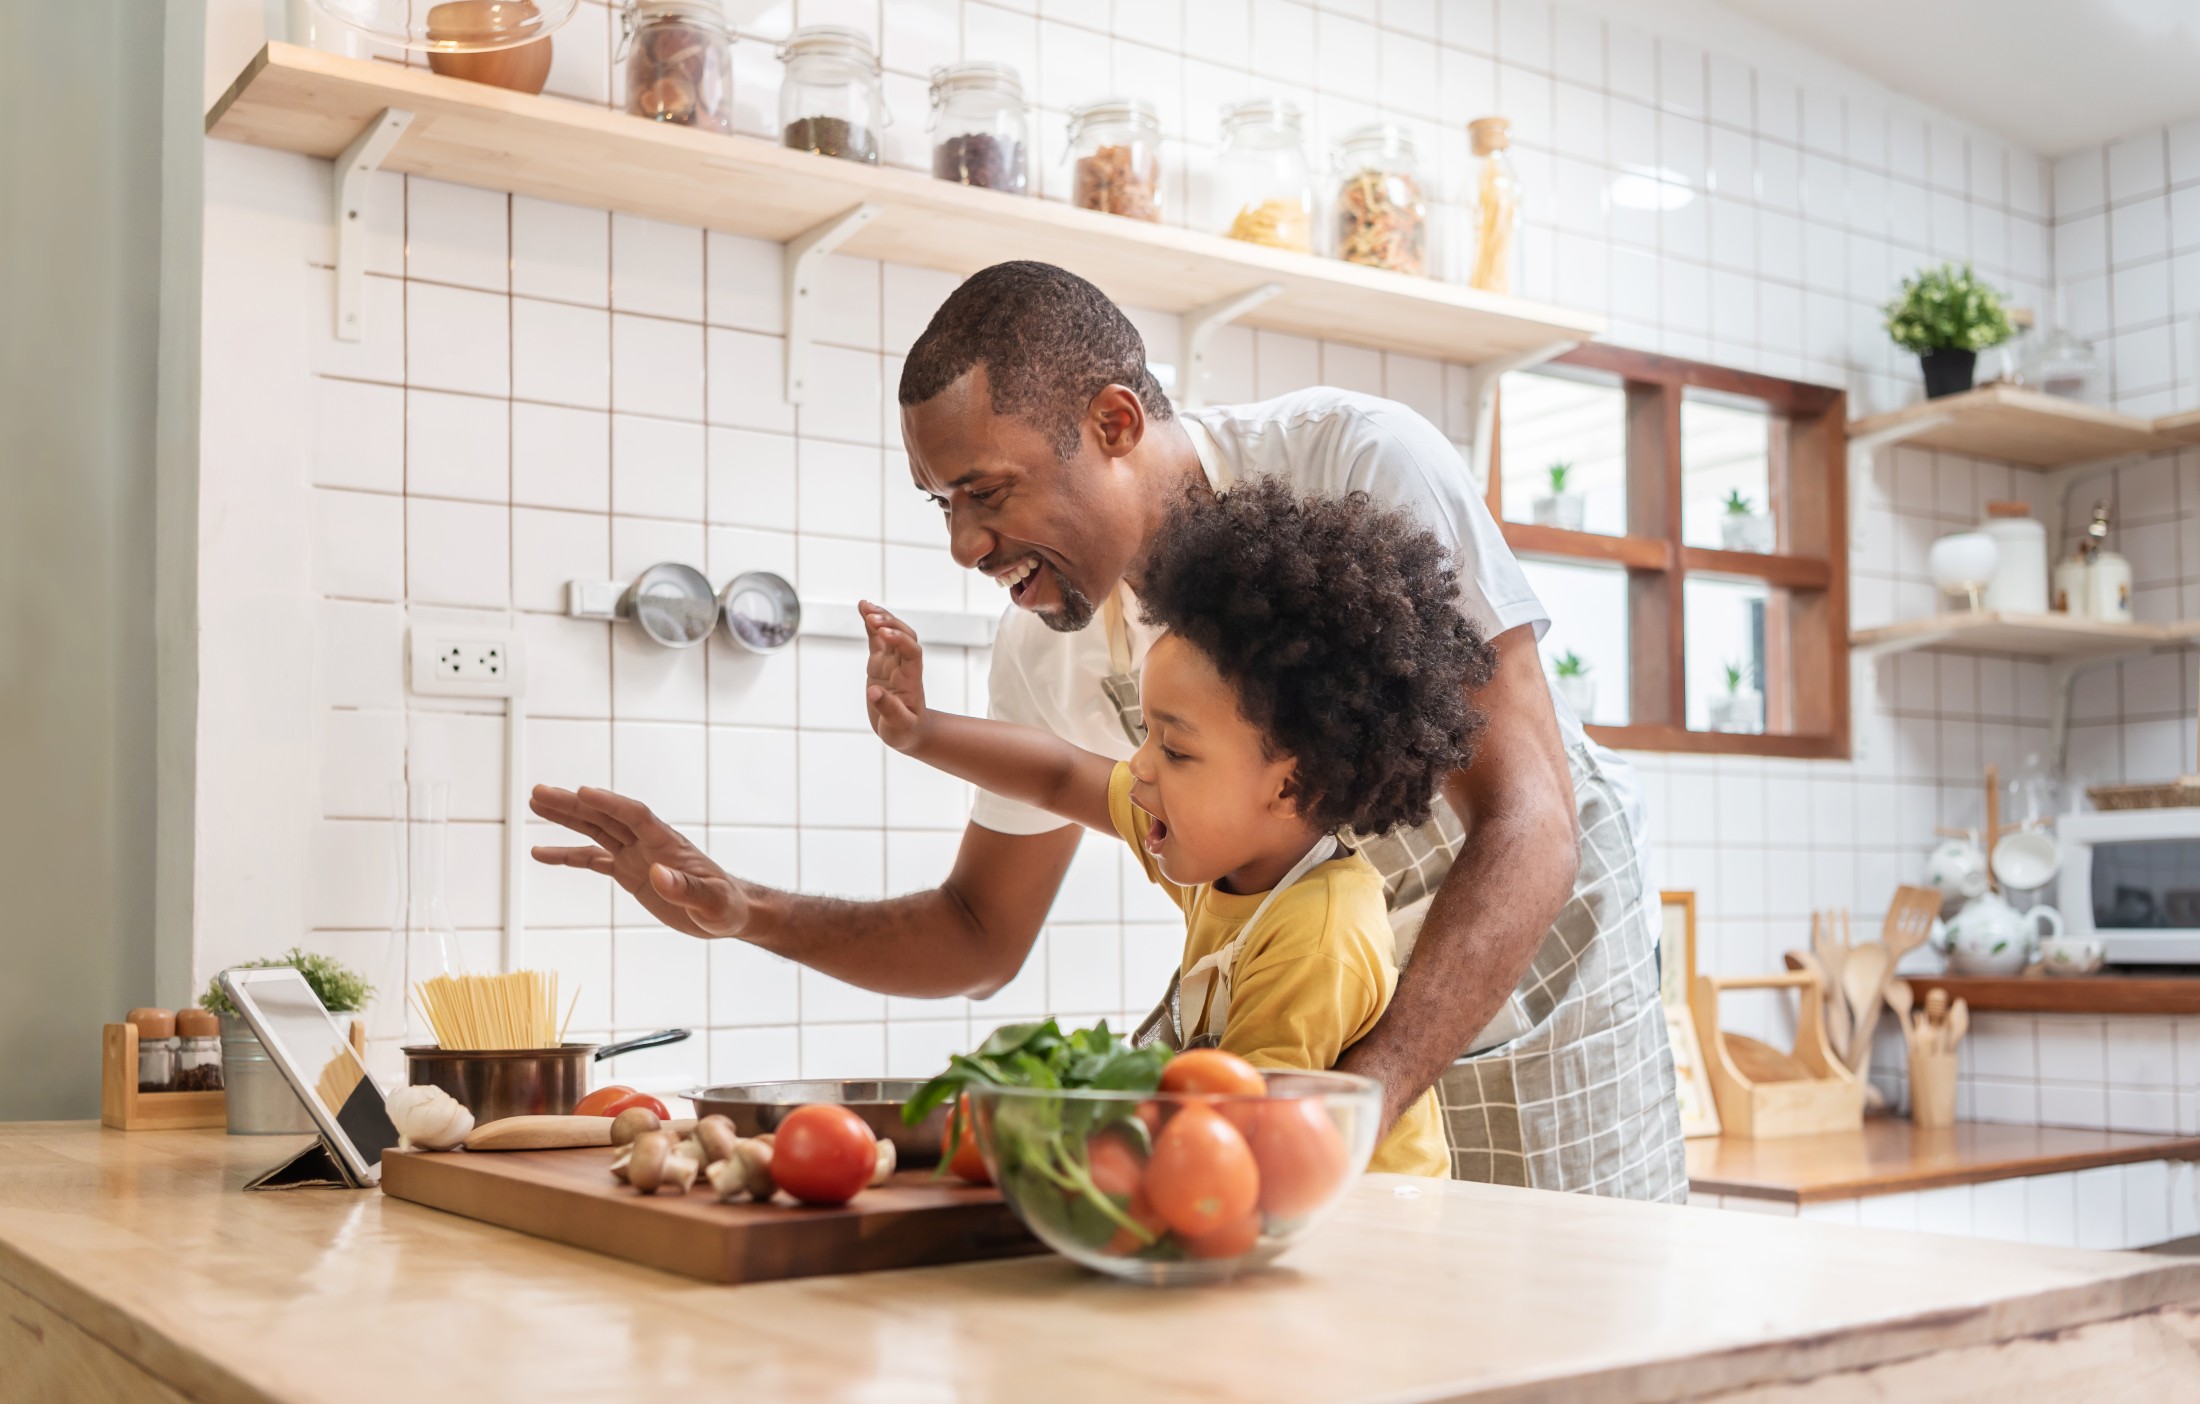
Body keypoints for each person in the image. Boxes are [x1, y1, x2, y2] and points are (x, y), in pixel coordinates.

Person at [532, 260, 1685, 1200]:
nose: (964, 548)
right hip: (1312, 1049)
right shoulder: (1045, 641)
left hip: (1535, 985)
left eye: (986, 491)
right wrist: (742, 910)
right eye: (943, 505)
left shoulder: (1355, 463)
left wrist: (1368, 1095)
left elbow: (1529, 816)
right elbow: (980, 929)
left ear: (1115, 420)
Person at [863, 478, 1494, 1177]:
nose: (1138, 765)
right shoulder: (1232, 851)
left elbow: (1242, 1147)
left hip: (1370, 1238)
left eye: (1175, 748)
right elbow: (1058, 777)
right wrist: (922, 732)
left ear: (1287, 787)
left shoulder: (1318, 938)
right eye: (1147, 733)